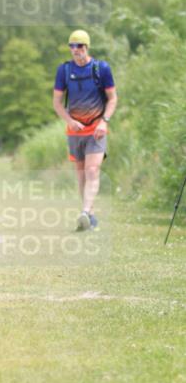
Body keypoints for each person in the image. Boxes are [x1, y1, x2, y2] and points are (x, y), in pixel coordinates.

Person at [53, 29, 117, 231]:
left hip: (96, 129)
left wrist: (104, 121)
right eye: (72, 46)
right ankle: (89, 214)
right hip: (74, 131)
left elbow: (113, 98)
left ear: (87, 47)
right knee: (81, 175)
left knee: (92, 170)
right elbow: (56, 103)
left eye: (79, 46)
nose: (75, 50)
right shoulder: (63, 71)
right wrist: (69, 120)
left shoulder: (101, 68)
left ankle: (85, 212)